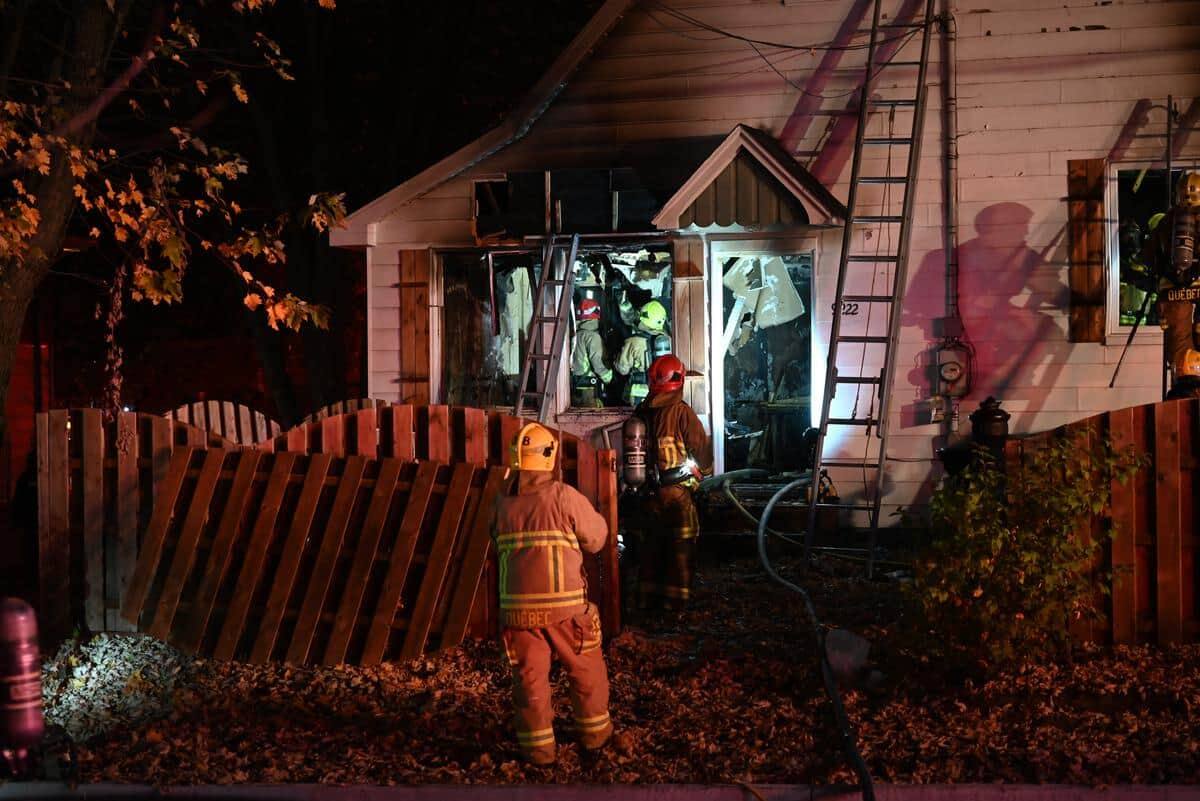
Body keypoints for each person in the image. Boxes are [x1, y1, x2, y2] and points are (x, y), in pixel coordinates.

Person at [493, 422, 613, 766]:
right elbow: (597, 538)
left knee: (529, 681)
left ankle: (539, 751)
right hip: (566, 613)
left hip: (517, 616)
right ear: (549, 457)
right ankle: (595, 739)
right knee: (586, 671)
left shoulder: (501, 504)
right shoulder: (562, 497)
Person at [629, 354, 712, 610]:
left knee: (651, 548)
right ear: (679, 380)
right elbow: (703, 453)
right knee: (680, 549)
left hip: (647, 495)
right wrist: (704, 472)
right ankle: (675, 607)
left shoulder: (641, 413)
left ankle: (646, 602)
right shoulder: (682, 413)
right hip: (677, 495)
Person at [614, 300, 670, 405]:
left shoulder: (634, 341)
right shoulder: (668, 340)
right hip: (661, 394)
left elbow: (622, 369)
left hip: (640, 396)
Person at [570, 298, 614, 408]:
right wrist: (609, 379)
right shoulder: (593, 337)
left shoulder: (575, 335)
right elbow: (598, 364)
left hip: (574, 385)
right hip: (588, 388)